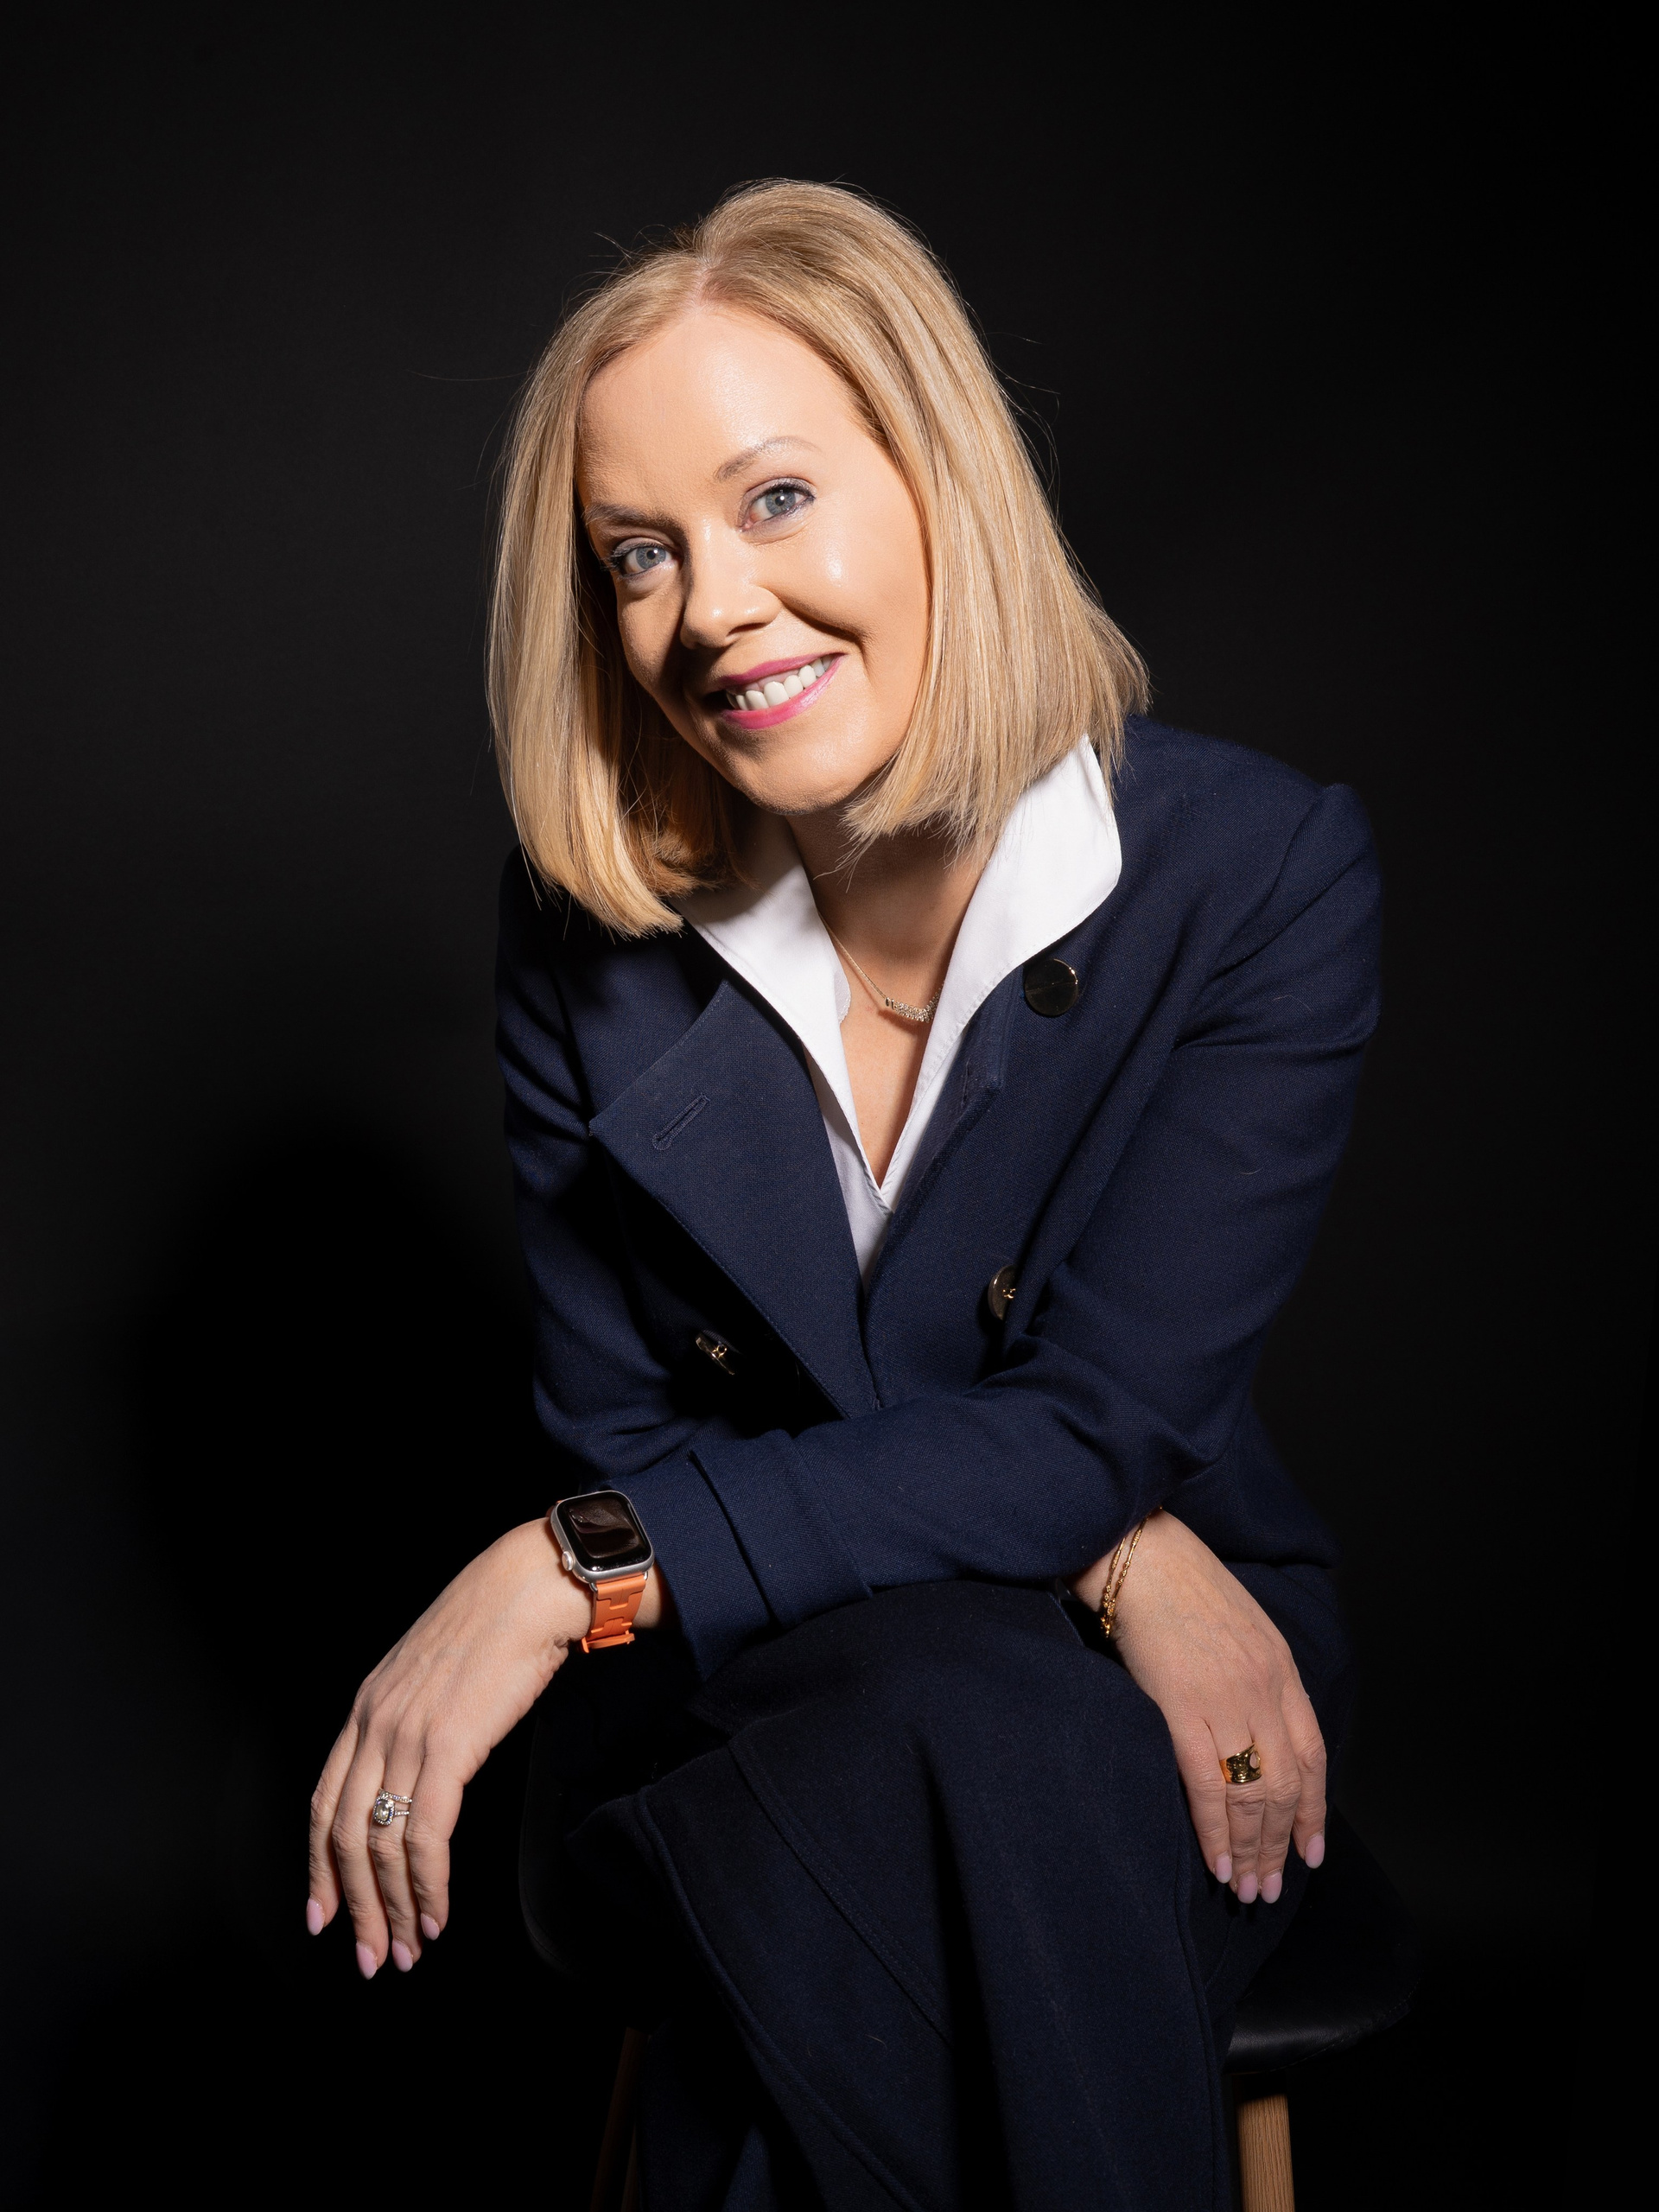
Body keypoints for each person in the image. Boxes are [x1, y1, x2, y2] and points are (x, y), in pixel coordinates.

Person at [306, 180, 1380, 2209]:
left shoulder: (1256, 881)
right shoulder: (589, 943)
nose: (710, 608)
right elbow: (644, 1428)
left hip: (1167, 1704)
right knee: (962, 1734)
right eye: (641, 553)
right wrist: (1111, 1542)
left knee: (964, 1769)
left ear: (938, 479)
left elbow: (1098, 1416)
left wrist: (561, 1567)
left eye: (776, 497)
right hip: (750, 1688)